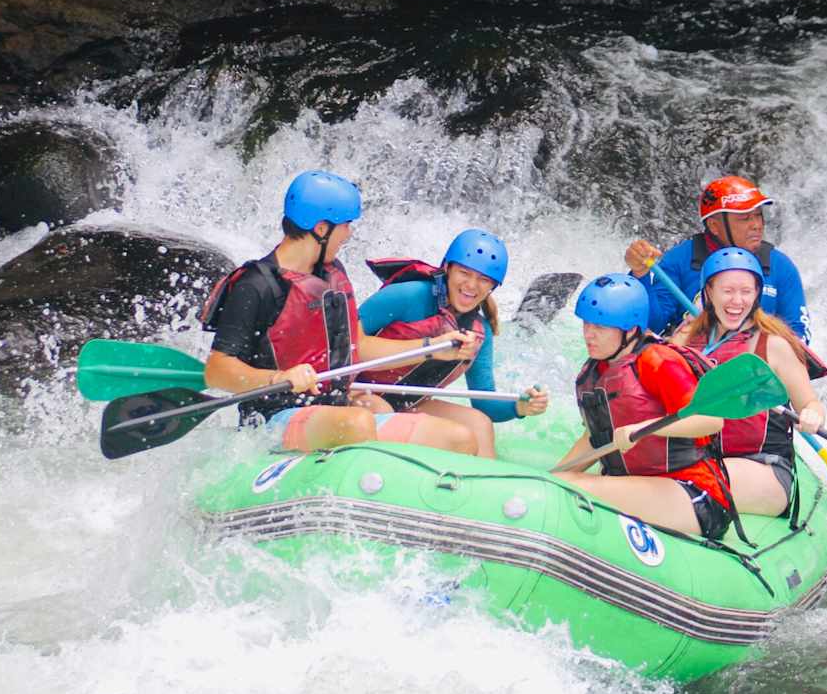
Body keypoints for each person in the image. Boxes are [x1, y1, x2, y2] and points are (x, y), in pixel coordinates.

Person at [196, 170, 479, 455]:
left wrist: (433, 348)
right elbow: (217, 370)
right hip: (275, 418)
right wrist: (277, 378)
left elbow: (361, 347)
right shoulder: (256, 285)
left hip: (337, 408)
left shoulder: (332, 274)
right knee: (356, 424)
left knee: (457, 438)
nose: (349, 233)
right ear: (321, 229)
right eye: (345, 225)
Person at [549, 274, 734, 539]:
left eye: (600, 327)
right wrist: (548, 478)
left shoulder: (658, 360)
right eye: (587, 324)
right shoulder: (593, 372)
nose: (589, 334)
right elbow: (594, 439)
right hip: (637, 486)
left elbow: (711, 420)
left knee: (570, 488)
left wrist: (645, 428)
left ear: (631, 329)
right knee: (556, 484)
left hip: (693, 493)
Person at [357, 229, 550, 458]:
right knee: (386, 413)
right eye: (464, 273)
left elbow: (484, 404)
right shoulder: (407, 295)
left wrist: (519, 407)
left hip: (406, 404)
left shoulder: (480, 332)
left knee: (479, 424)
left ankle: (485, 487)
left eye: (483, 279)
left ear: (492, 287)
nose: (471, 285)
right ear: (447, 268)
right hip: (355, 393)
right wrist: (431, 347)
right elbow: (349, 346)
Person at [671, 247, 827, 517]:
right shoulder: (686, 339)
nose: (737, 301)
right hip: (696, 456)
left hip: (761, 465)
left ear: (757, 294)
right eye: (728, 291)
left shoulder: (774, 344)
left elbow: (810, 402)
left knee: (684, 484)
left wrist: (812, 415)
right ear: (708, 292)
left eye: (746, 291)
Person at [623, 175, 810, 340]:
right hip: (690, 365)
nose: (756, 225)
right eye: (745, 218)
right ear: (714, 226)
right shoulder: (679, 260)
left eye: (758, 216)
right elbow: (651, 325)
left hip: (756, 368)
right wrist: (641, 275)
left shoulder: (780, 265)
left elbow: (799, 333)